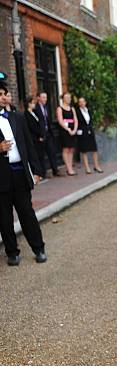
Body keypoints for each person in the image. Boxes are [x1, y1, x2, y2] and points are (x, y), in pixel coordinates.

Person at [0, 82, 47, 266]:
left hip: (20, 173)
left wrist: (36, 170)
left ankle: (39, 248)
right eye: (0, 94)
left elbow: (28, 145)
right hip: (1, 176)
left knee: (27, 212)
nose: (4, 97)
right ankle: (12, 252)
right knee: (4, 217)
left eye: (5, 93)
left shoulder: (18, 118)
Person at [34, 92, 60, 178]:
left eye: (46, 97)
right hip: (41, 135)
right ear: (38, 98)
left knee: (52, 152)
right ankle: (43, 173)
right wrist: (39, 135)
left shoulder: (46, 107)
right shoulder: (35, 108)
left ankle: (55, 170)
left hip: (48, 133)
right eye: (43, 97)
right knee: (41, 155)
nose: (45, 99)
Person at [75, 97, 103, 174]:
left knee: (94, 149)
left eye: (83, 101)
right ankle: (87, 167)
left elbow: (90, 121)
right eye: (80, 102)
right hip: (82, 132)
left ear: (85, 102)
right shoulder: (77, 112)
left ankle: (96, 165)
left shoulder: (88, 110)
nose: (82, 103)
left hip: (90, 131)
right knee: (84, 150)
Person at [56, 92, 78, 176]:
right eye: (67, 98)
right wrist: (68, 129)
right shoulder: (60, 108)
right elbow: (60, 120)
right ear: (63, 99)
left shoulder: (72, 108)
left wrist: (74, 129)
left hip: (72, 130)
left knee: (71, 149)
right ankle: (68, 168)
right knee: (66, 149)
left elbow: (75, 119)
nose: (69, 99)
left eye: (69, 97)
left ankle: (71, 167)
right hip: (64, 131)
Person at [24, 96, 45, 175]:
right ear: (28, 104)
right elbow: (31, 126)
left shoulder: (35, 112)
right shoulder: (26, 114)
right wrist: (38, 135)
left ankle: (42, 172)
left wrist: (42, 135)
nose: (34, 105)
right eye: (32, 103)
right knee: (35, 156)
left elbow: (40, 123)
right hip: (34, 138)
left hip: (40, 138)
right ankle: (37, 173)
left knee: (41, 155)